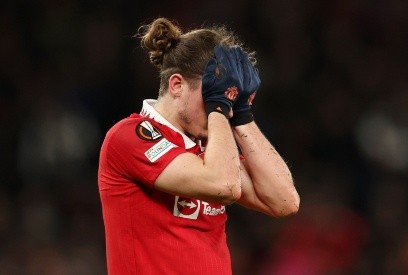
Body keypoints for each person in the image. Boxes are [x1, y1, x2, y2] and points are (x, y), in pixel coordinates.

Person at [98, 17, 300, 275]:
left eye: (227, 97)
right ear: (177, 85)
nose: (220, 108)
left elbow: (284, 201)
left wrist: (242, 114)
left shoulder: (209, 146)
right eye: (212, 95)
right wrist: (218, 106)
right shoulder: (129, 137)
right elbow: (222, 185)